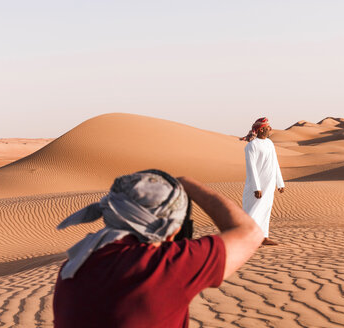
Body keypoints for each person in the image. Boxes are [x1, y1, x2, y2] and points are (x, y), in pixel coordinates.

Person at [53, 169, 263, 328]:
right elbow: (250, 233)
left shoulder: (72, 266)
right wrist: (187, 184)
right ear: (171, 229)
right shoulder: (162, 267)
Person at [241, 117, 285, 246]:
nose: (270, 129)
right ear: (260, 130)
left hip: (269, 184)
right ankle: (247, 238)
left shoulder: (270, 143)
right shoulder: (251, 146)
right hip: (256, 187)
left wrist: (280, 182)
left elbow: (275, 163)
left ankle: (263, 237)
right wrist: (256, 187)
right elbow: (251, 167)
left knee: (265, 210)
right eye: (267, 128)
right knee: (253, 211)